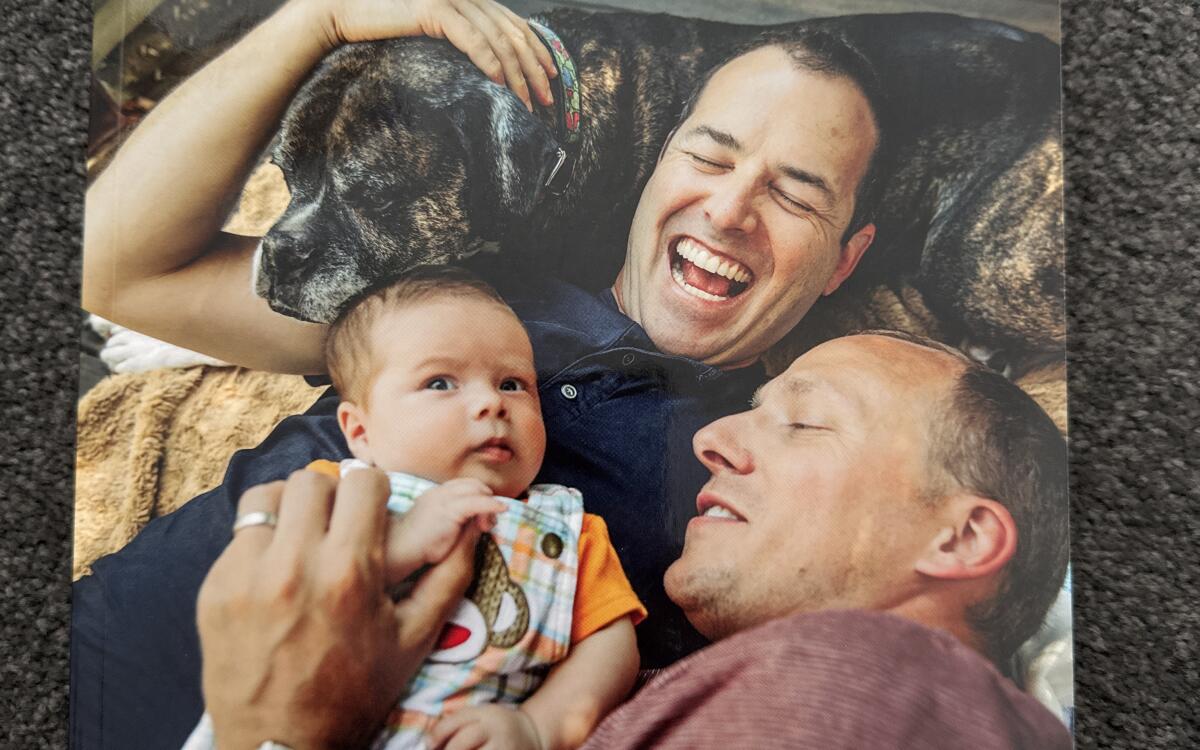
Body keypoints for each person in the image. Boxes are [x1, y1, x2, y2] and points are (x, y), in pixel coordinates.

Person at [74, 0, 891, 745]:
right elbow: (116, 270)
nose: (728, 210)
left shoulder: (743, 462)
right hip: (101, 671)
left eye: (796, 196)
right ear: (657, 166)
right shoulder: (465, 295)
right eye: (708, 157)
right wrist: (315, 20)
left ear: (845, 261)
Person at [196, 332, 1071, 749]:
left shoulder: (864, 687)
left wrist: (282, 730)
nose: (711, 440)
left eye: (805, 422)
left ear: (961, 538)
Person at [182, 266, 644, 750]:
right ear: (361, 432)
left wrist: (537, 727)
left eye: (512, 383)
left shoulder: (570, 531)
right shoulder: (335, 491)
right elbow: (275, 591)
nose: (490, 403)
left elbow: (610, 645)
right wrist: (398, 544)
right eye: (440, 383)